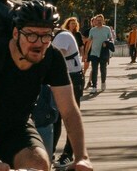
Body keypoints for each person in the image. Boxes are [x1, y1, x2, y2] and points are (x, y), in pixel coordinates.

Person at [0, 0, 94, 171]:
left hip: (16, 125)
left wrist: (82, 157)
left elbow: (68, 109)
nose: (39, 43)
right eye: (31, 35)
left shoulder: (52, 57)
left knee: (38, 163)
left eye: (46, 36)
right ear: (16, 33)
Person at [50, 16, 88, 168]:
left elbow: (52, 56)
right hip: (61, 77)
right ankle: (50, 150)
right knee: (55, 116)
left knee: (68, 115)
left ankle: (68, 154)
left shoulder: (63, 36)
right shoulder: (56, 36)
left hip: (72, 78)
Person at [87, 14, 115, 91]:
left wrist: (107, 42)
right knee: (94, 70)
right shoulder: (92, 30)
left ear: (103, 21)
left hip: (103, 53)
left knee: (103, 70)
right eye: (97, 20)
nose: (99, 22)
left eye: (100, 20)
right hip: (94, 53)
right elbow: (89, 41)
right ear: (95, 21)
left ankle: (103, 82)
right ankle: (94, 86)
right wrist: (86, 53)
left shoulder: (107, 29)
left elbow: (111, 39)